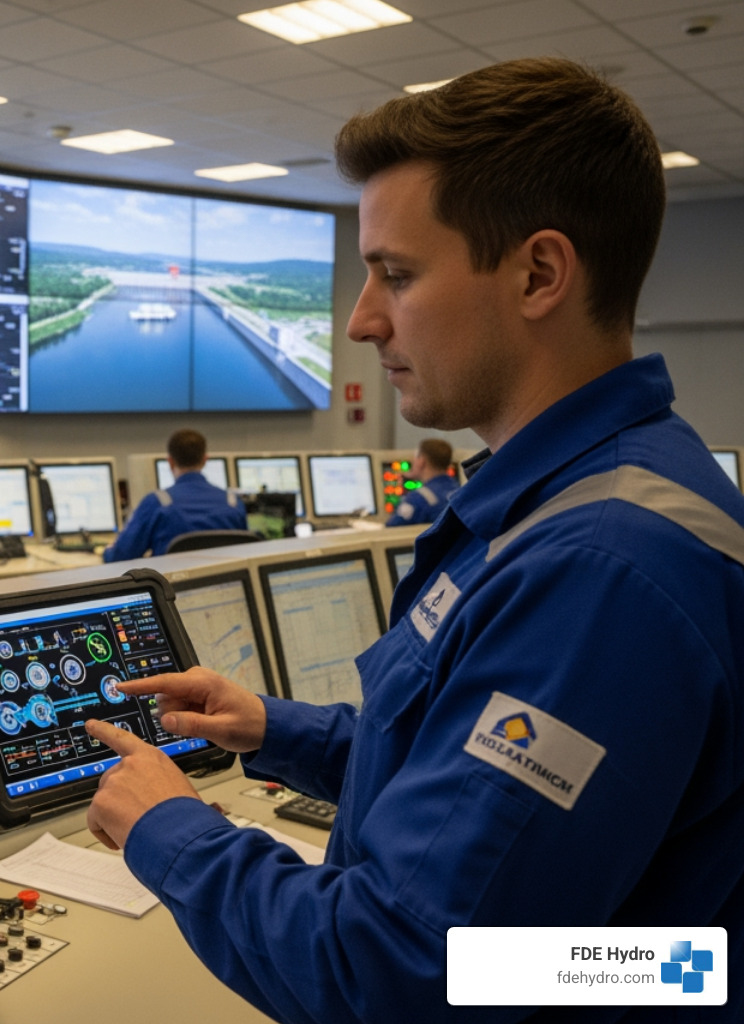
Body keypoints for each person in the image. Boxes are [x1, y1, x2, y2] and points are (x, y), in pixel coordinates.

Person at [83, 57, 744, 1024]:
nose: (361, 320)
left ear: (539, 274)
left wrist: (170, 830)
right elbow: (475, 805)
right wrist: (276, 730)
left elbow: (406, 974)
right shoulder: (571, 500)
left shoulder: (599, 569)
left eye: (396, 274)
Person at [102, 429, 246, 561]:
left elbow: (121, 556)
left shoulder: (157, 503)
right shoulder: (233, 503)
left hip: (172, 587)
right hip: (227, 586)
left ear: (170, 462)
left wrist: (107, 551)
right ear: (204, 460)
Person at [384, 437, 458, 526]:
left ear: (421, 461)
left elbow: (391, 529)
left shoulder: (418, 498)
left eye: (416, 457)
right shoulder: (459, 490)